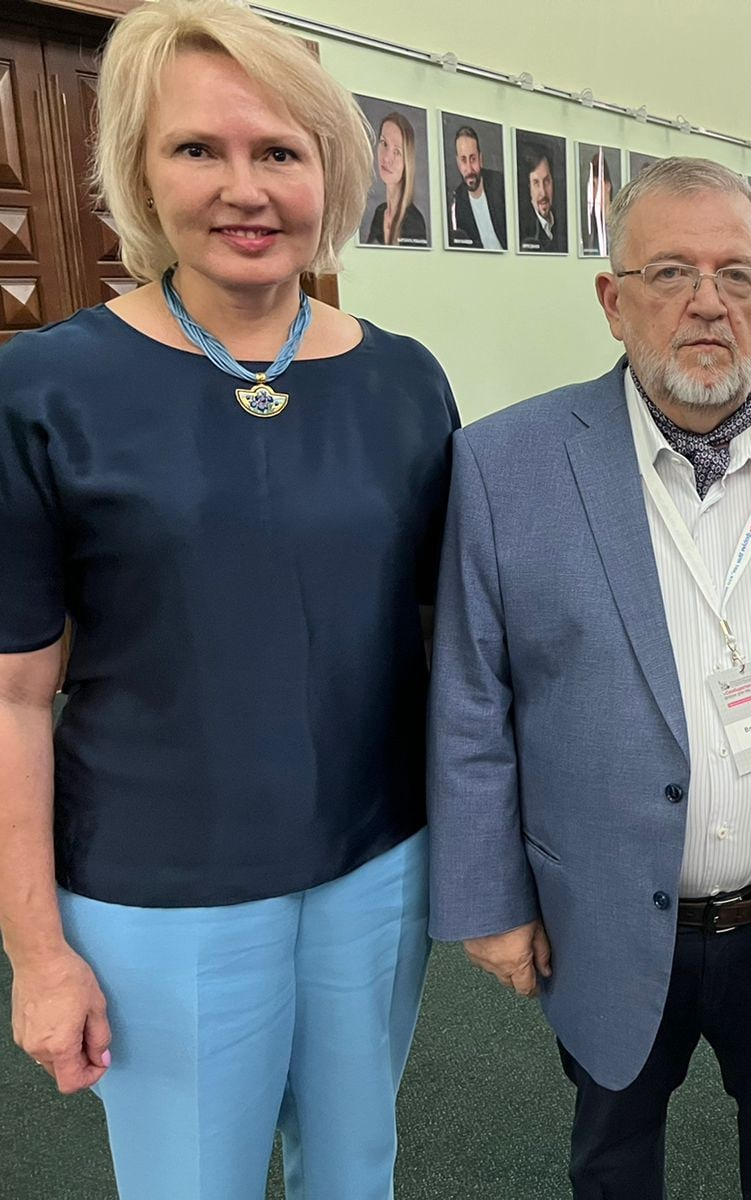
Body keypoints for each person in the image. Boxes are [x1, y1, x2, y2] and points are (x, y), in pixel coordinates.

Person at [0, 2, 459, 1196]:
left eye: (279, 152)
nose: (243, 189)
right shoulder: (44, 387)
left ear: (331, 173)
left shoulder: (405, 382)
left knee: (355, 1170)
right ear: (142, 171)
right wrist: (37, 952)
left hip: (375, 864)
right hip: (158, 888)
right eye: (198, 148)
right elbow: (14, 697)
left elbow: (444, 645)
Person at [427, 157, 751, 1199]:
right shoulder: (506, 466)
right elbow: (471, 701)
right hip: (602, 910)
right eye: (668, 273)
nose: (707, 302)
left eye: (735, 274)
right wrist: (488, 896)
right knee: (614, 1152)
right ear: (612, 301)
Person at [367, 110, 427, 246]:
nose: (386, 158)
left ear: (407, 161)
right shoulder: (380, 213)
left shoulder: (414, 222)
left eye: (397, 152)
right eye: (384, 143)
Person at [447, 124, 506, 251]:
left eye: (473, 159)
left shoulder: (500, 184)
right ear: (458, 163)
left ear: (480, 159)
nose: (469, 169)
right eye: (463, 160)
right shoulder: (458, 200)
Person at [518, 139, 566, 253]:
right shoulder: (523, 229)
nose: (543, 193)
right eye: (536, 183)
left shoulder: (564, 222)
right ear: (529, 187)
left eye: (546, 181)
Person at [582, 148, 615, 255]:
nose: (592, 193)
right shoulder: (592, 226)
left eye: (595, 185)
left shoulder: (617, 226)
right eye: (590, 187)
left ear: (607, 186)